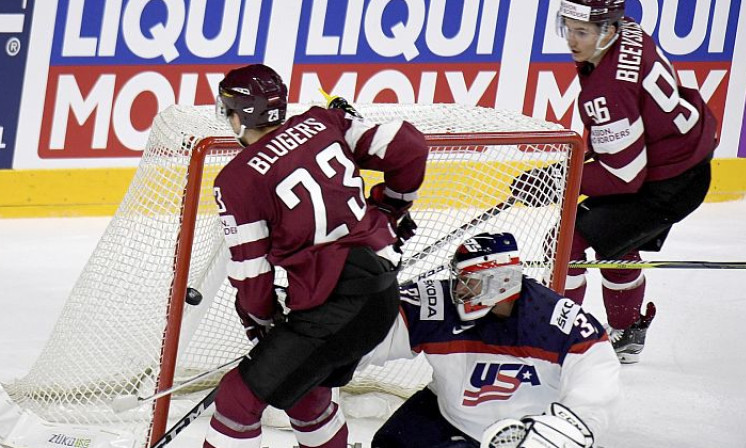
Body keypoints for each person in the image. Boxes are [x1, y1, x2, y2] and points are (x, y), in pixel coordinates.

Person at [202, 64, 428, 448]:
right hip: (379, 295)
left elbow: (251, 273)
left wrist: (260, 322)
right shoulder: (324, 121)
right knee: (306, 392)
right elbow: (410, 146)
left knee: (238, 398)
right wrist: (392, 207)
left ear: (240, 115)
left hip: (336, 305)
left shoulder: (237, 180)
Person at [512, 0, 717, 364]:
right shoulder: (630, 29)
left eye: (582, 32)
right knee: (613, 235)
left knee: (565, 242)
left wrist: (557, 180)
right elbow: (630, 116)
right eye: (568, 29)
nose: (572, 41)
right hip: (680, 157)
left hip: (666, 183)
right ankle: (627, 329)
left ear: (607, 30)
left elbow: (624, 176)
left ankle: (556, 338)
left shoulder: (606, 91)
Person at [365, 232, 621, 448]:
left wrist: (566, 428)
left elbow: (598, 377)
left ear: (502, 282)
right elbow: (375, 334)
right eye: (459, 280)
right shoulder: (437, 306)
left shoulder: (555, 320)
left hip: (523, 436)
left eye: (469, 283)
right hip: (445, 415)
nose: (458, 291)